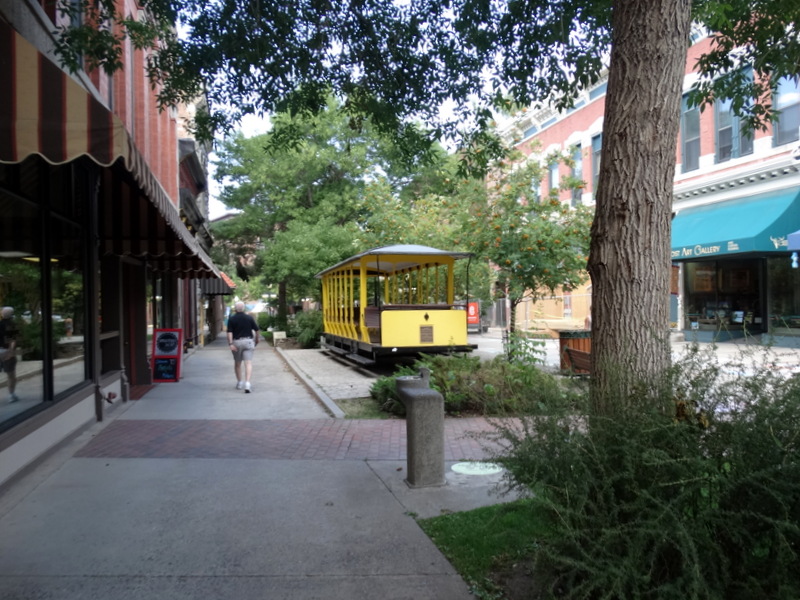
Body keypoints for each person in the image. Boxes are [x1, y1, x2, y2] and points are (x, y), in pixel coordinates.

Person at [226, 301, 259, 393]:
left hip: (236, 342)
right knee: (248, 363)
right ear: (243, 308)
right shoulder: (249, 318)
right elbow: (256, 330)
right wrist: (257, 339)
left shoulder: (232, 319)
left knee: (237, 364)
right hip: (248, 341)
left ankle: (239, 382)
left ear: (235, 309)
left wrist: (231, 344)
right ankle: (247, 383)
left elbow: (229, 332)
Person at [0, 306, 20, 403]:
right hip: (6, 351)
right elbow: (13, 340)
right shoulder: (12, 325)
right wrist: (11, 352)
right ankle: (11, 395)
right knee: (11, 375)